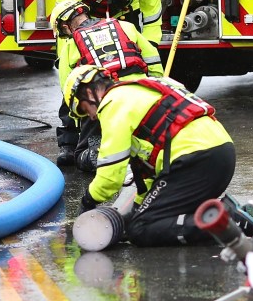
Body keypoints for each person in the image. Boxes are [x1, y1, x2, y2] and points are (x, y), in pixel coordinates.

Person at [63, 64, 235, 247]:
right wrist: (137, 208)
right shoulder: (140, 88)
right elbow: (151, 178)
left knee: (141, 229)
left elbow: (110, 175)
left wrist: (88, 199)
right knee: (151, 217)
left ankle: (230, 220)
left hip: (195, 161)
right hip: (220, 154)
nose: (90, 117)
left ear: (88, 94)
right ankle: (226, 214)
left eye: (83, 109)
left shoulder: (113, 104)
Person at [50, 0, 164, 170]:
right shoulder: (124, 26)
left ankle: (97, 152)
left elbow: (69, 92)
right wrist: (157, 88)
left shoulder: (71, 45)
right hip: (141, 94)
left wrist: (80, 119)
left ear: (65, 27)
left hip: (104, 103)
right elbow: (152, 57)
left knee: (81, 154)